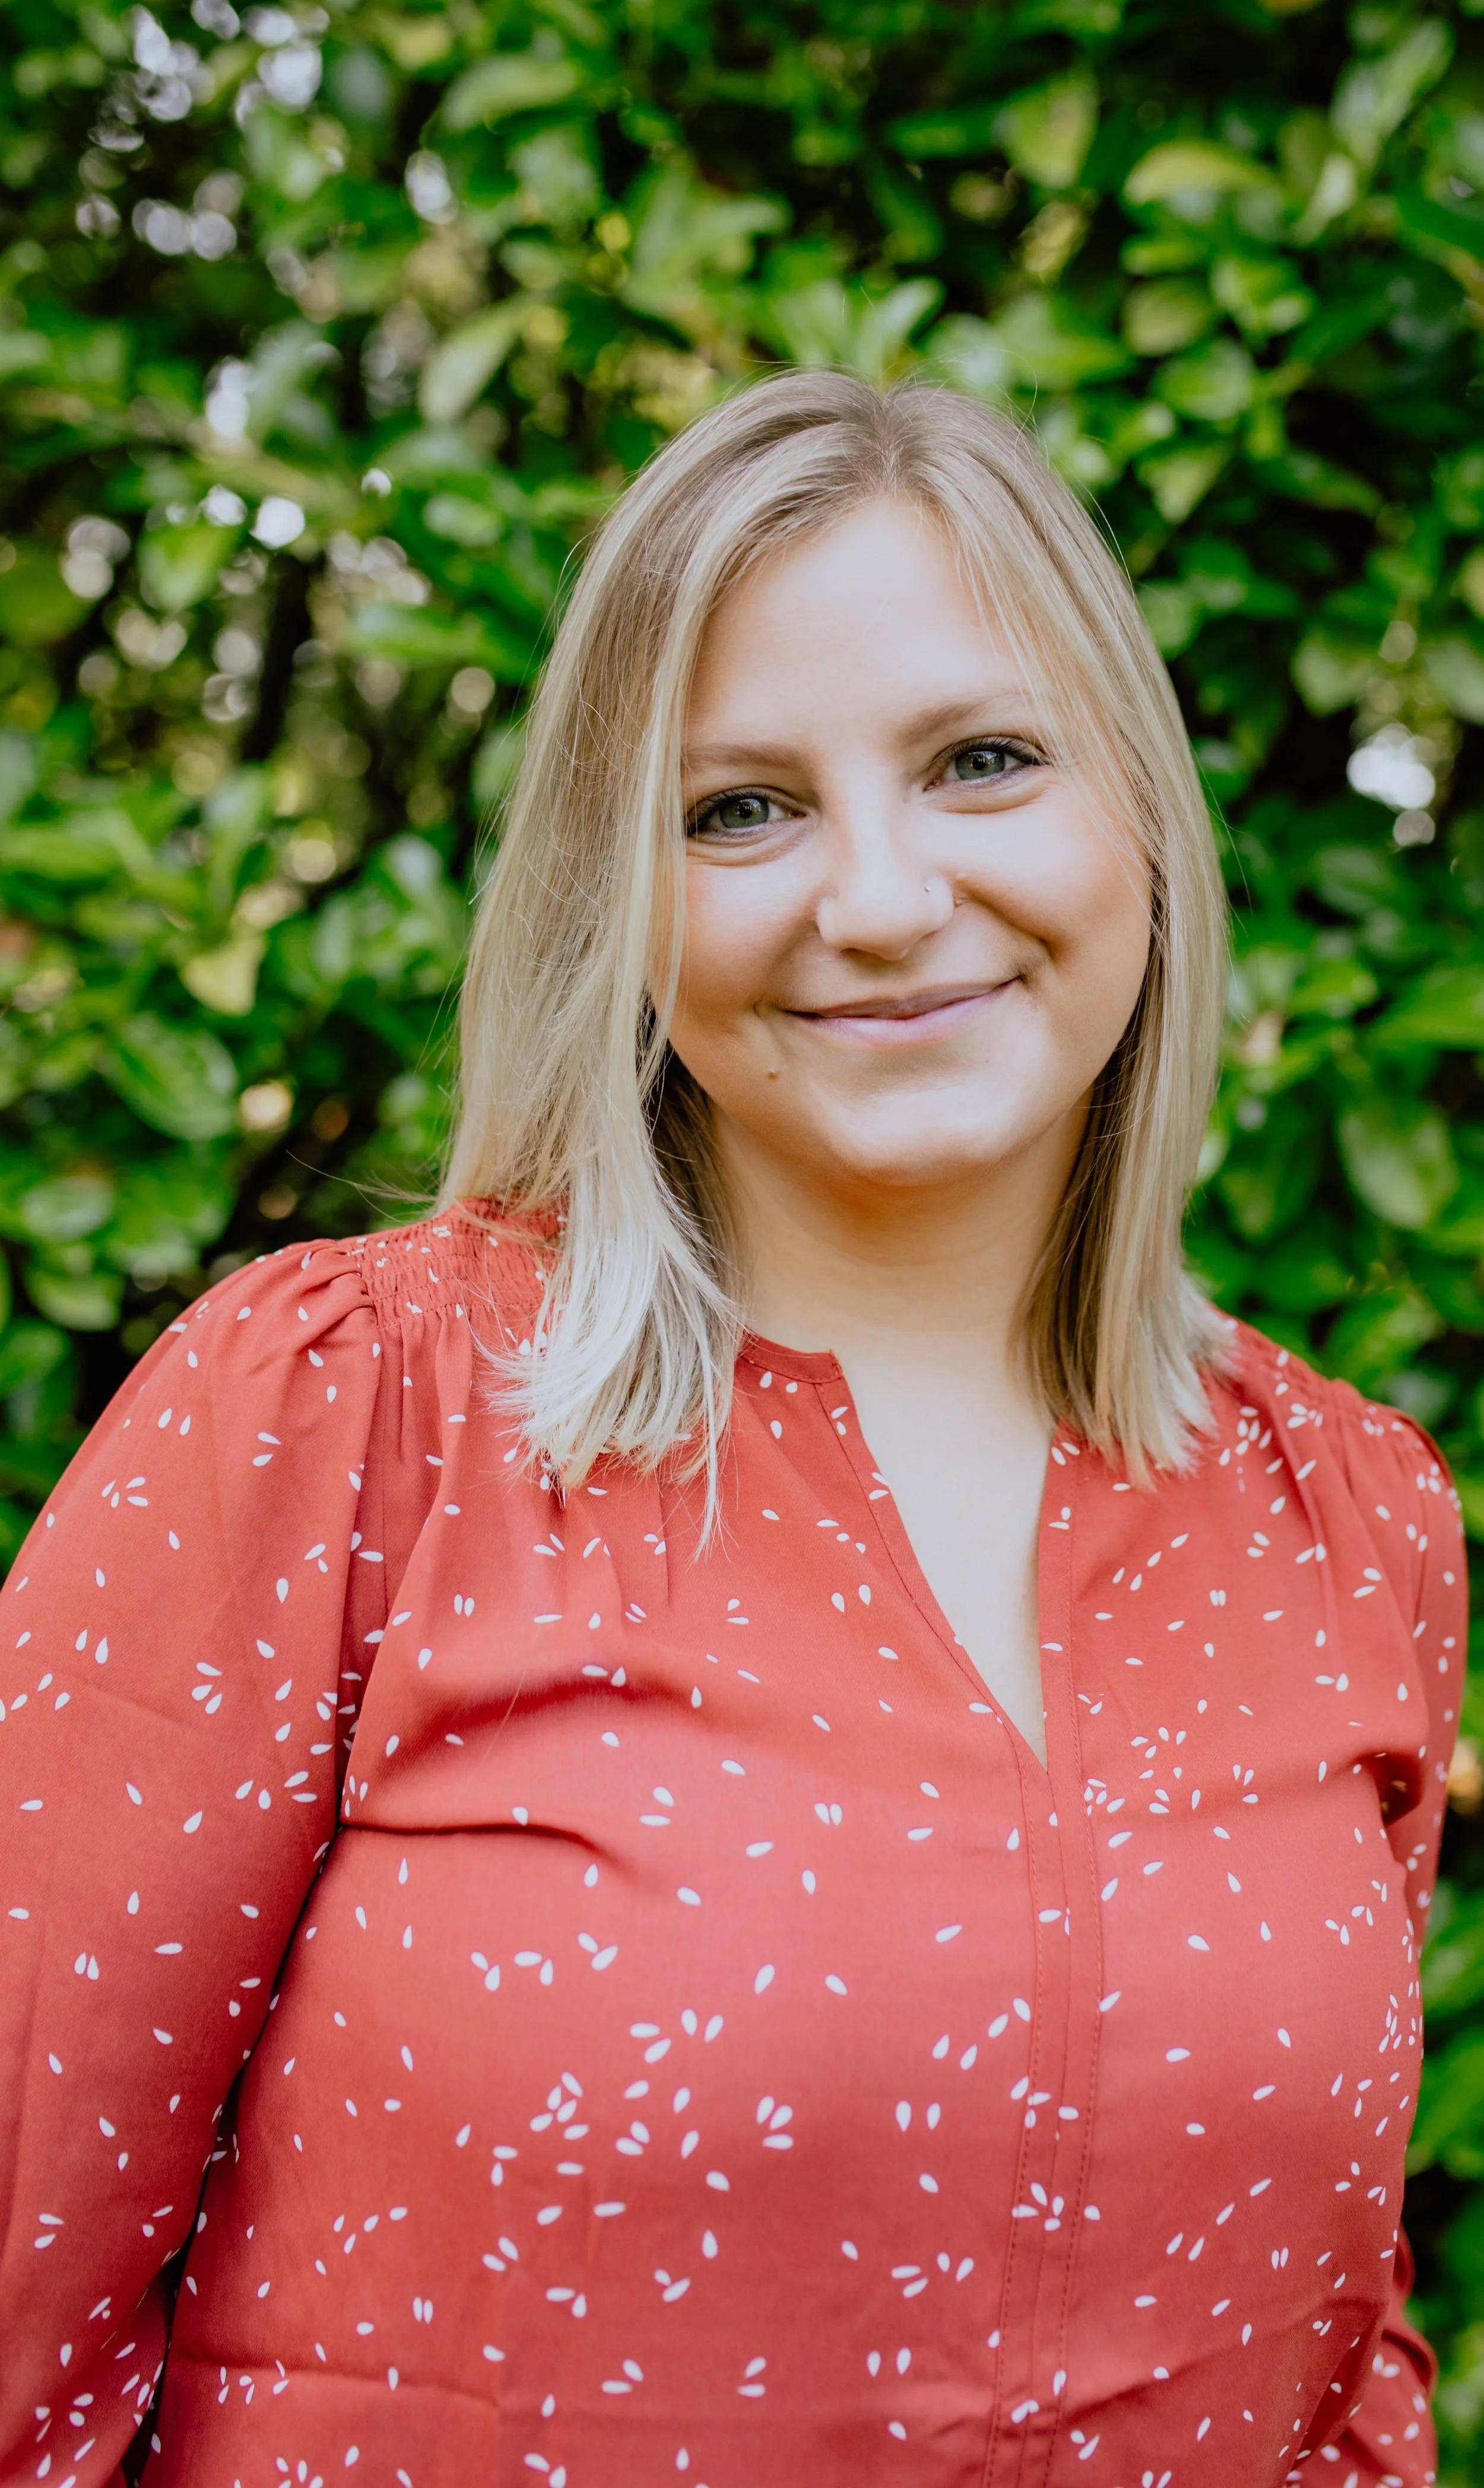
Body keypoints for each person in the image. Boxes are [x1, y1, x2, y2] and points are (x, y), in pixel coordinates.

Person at [0, 372, 1461, 2488]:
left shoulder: (1344, 1515)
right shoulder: (350, 1416)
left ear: (1134, 807)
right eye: (740, 809)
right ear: (625, 900)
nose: (878, 899)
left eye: (980, 760)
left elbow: (1337, 2368)